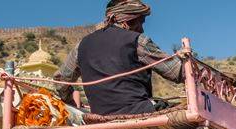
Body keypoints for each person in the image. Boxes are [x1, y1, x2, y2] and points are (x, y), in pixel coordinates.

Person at [54, 1, 186, 116]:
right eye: (140, 23)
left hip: (101, 119)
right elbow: (178, 72)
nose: (142, 29)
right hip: (141, 113)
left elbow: (60, 82)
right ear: (126, 22)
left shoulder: (80, 46)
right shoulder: (137, 41)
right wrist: (187, 61)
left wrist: (71, 103)